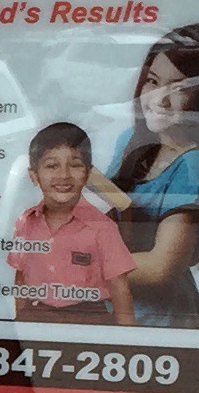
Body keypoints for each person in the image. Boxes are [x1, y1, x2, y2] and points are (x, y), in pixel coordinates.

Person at [90, 24, 199, 331]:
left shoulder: (194, 164)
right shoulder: (132, 142)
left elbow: (161, 268)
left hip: (160, 325)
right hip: (117, 310)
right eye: (153, 82)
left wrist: (81, 269)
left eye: (179, 88)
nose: (160, 99)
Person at [10, 121, 133, 325]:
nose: (64, 175)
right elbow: (20, 277)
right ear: (34, 176)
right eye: (52, 166)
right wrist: (20, 324)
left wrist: (129, 343)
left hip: (90, 319)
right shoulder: (26, 222)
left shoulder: (103, 228)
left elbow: (120, 290)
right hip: (36, 316)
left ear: (88, 174)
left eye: (75, 165)